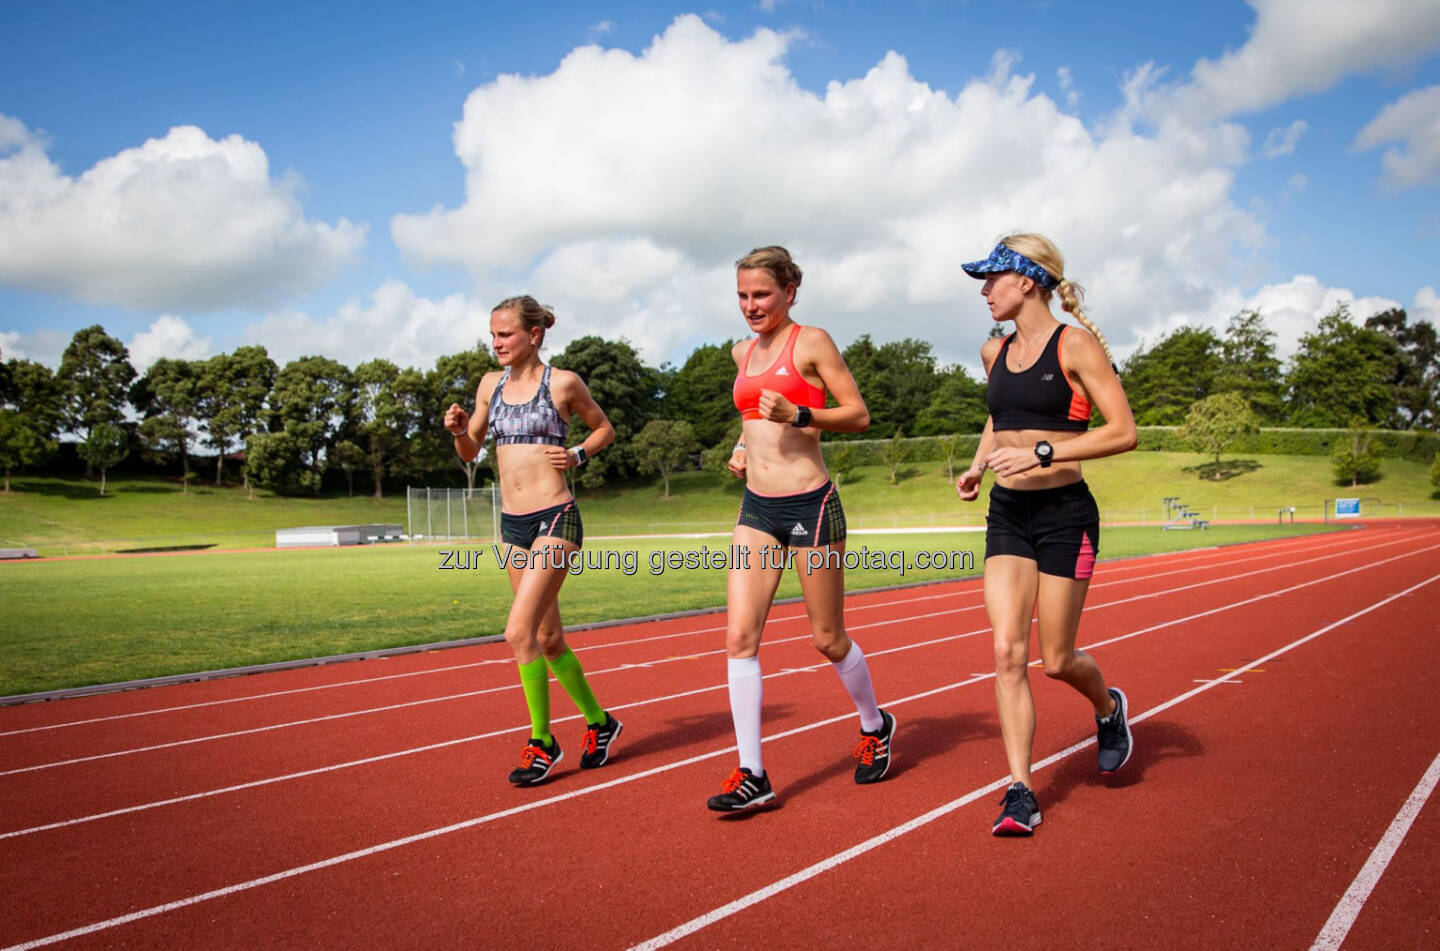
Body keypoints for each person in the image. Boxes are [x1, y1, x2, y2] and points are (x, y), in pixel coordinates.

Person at [954, 234, 1138, 835]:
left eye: (992, 280)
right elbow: (996, 418)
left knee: (1055, 660)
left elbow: (1123, 431)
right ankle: (1020, 791)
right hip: (1008, 515)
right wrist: (981, 464)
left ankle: (1109, 709)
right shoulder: (993, 352)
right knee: (1007, 652)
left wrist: (1040, 452)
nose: (984, 292)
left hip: (1065, 516)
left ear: (1026, 281)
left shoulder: (1074, 345)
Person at [706, 245, 896, 813]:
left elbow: (858, 415)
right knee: (740, 637)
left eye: (760, 294)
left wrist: (801, 415)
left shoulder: (811, 342)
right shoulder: (741, 352)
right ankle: (752, 773)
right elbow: (751, 420)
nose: (750, 305)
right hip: (757, 511)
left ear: (790, 291)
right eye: (741, 295)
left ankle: (875, 724)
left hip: (811, 506)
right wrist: (743, 448)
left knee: (826, 638)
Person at [445, 296, 622, 786]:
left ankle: (542, 741)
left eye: (505, 334)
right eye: (493, 335)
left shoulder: (562, 382)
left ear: (534, 335)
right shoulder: (489, 385)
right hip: (512, 526)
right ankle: (600, 723)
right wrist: (459, 431)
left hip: (555, 518)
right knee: (547, 638)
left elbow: (603, 427)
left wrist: (580, 455)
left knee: (518, 633)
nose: (497, 343)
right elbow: (471, 451)